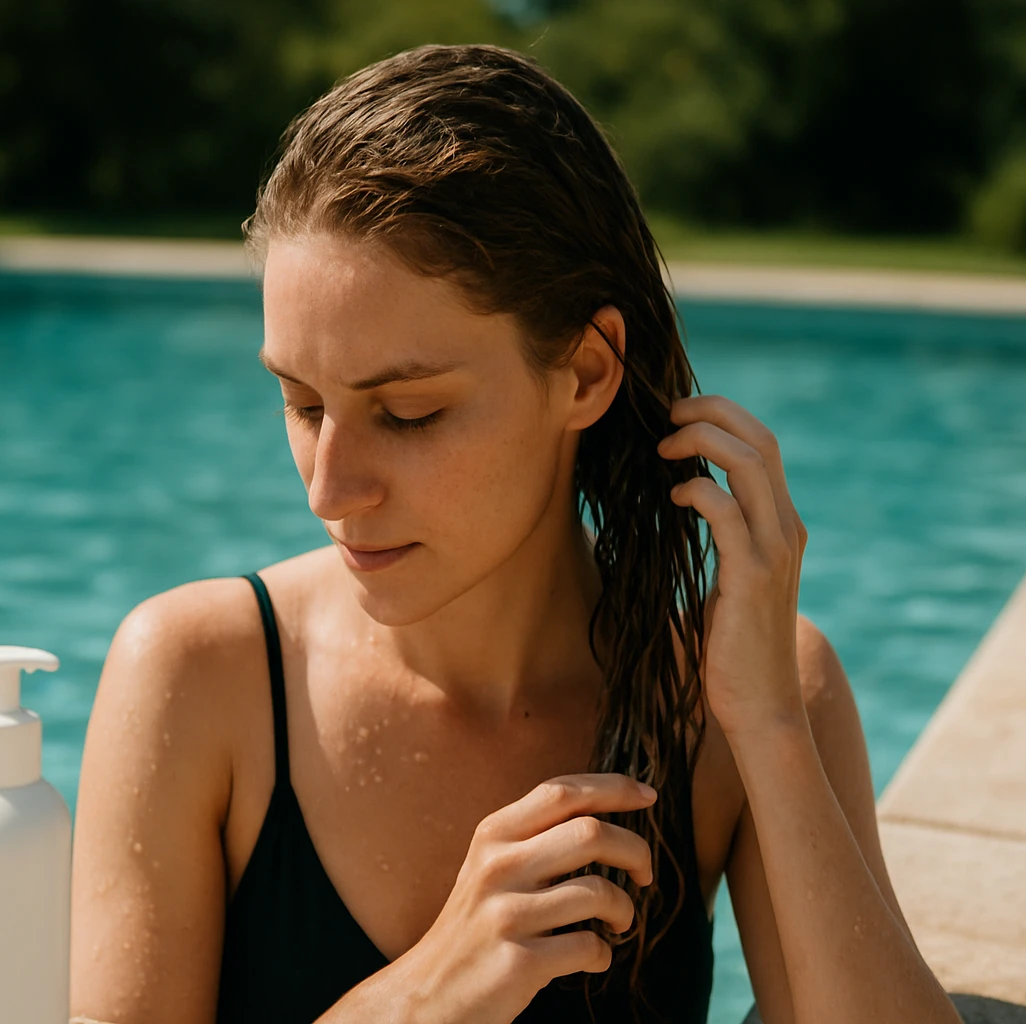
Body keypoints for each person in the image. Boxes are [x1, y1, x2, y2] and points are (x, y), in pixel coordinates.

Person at [68, 42, 962, 1024]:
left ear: (585, 372)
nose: (330, 489)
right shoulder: (200, 679)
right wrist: (424, 997)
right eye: (303, 403)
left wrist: (772, 730)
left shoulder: (734, 697)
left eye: (408, 413)